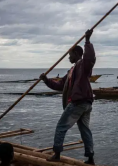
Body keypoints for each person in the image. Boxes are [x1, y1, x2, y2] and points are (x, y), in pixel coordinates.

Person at [40, 29, 95, 165]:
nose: (68, 57)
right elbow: (59, 85)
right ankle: (90, 159)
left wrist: (87, 41)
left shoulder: (82, 65)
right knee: (84, 130)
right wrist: (46, 80)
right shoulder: (72, 71)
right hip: (85, 103)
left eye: (70, 55)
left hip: (79, 102)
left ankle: (57, 154)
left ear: (76, 54)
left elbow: (90, 59)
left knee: (61, 127)